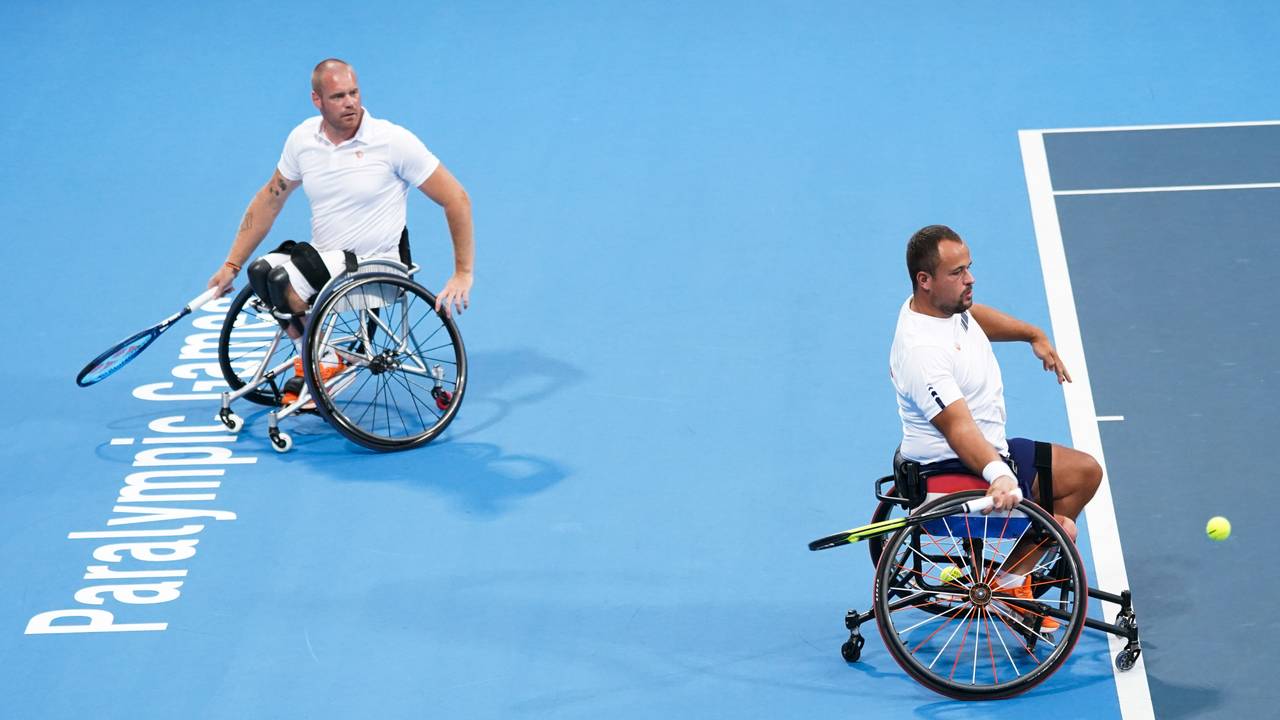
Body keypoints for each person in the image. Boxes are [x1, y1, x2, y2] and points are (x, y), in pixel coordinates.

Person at [206, 58, 474, 404]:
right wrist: (231, 264)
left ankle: (321, 361)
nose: (350, 103)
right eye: (338, 96)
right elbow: (270, 199)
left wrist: (463, 273)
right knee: (260, 272)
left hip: (375, 266)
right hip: (326, 261)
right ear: (317, 100)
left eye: (354, 93)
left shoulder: (392, 141)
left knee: (282, 282)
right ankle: (318, 355)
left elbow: (456, 198)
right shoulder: (303, 139)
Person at [889, 224, 1101, 630]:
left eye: (968, 267)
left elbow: (971, 317)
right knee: (1063, 525)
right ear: (925, 280)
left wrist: (1031, 334)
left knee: (1084, 472)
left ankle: (1012, 575)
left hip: (986, 450)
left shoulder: (938, 307)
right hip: (956, 472)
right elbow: (959, 430)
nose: (970, 279)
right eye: (957, 273)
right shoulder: (922, 354)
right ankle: (1011, 583)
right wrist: (1000, 475)